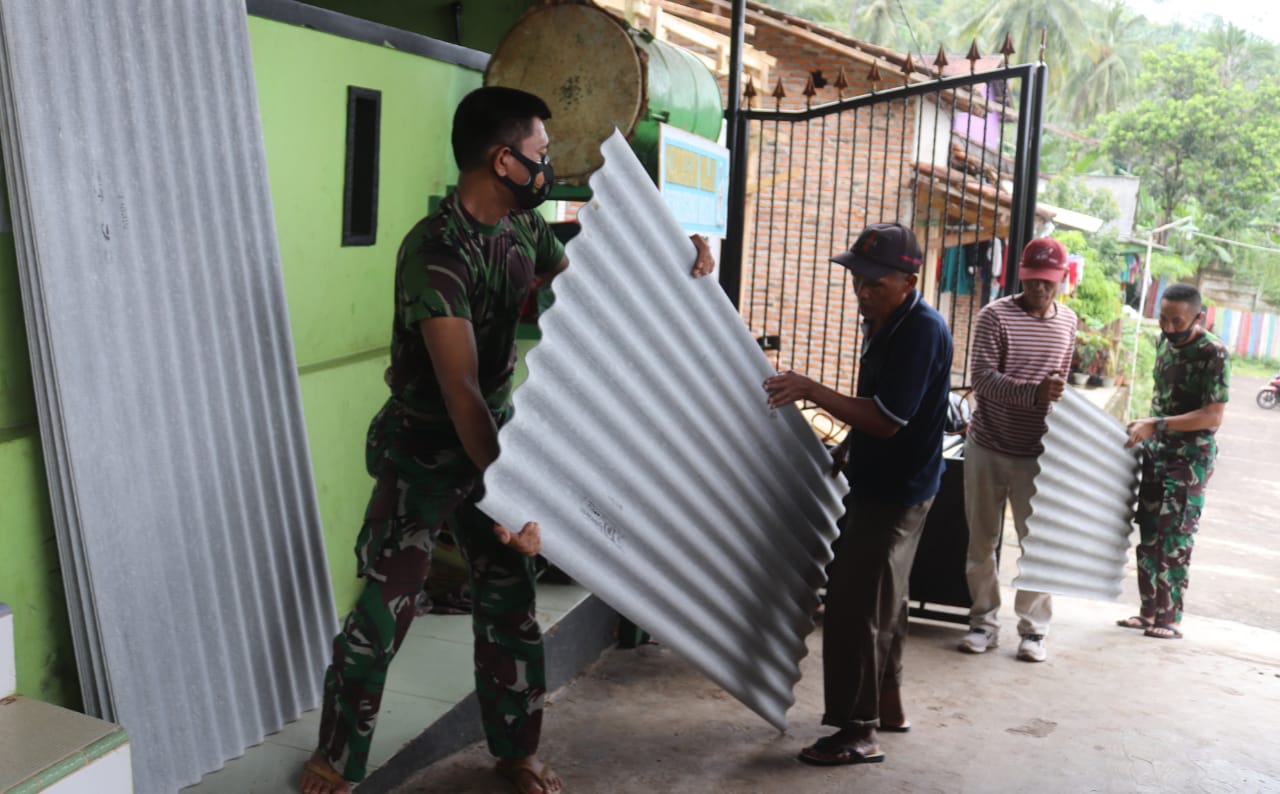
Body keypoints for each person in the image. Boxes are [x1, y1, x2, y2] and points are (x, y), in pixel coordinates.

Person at [298, 86, 714, 794]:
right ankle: (336, 758)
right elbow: (459, 393)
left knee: (508, 602)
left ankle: (516, 751)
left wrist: (679, 251)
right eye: (541, 156)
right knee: (386, 608)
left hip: (492, 439)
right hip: (427, 451)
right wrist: (514, 496)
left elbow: (589, 272)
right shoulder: (435, 256)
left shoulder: (522, 231)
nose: (549, 168)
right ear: (503, 161)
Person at [764, 222, 952, 767]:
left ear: (908, 279)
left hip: (897, 491)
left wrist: (809, 389)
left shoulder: (920, 330)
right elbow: (879, 406)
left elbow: (889, 419)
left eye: (876, 282)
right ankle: (887, 707)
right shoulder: (887, 320)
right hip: (892, 480)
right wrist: (849, 445)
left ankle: (857, 730)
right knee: (885, 602)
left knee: (853, 607)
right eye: (858, 279)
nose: (863, 291)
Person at [958, 237, 1077, 663]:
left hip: (1037, 454)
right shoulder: (995, 316)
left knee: (1036, 544)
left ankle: (1034, 631)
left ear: (1061, 280)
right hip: (988, 444)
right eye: (1031, 281)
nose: (1038, 290)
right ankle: (983, 624)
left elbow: (1059, 386)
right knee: (982, 542)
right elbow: (983, 379)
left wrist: (1056, 399)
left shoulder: (1068, 322)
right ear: (1020, 276)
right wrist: (1035, 392)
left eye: (1047, 282)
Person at [1119, 283, 1229, 641]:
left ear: (1198, 317)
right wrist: (1146, 424)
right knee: (1149, 532)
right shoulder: (1163, 343)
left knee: (1175, 536)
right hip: (1156, 452)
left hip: (1190, 458)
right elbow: (1161, 401)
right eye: (1162, 319)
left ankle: (1170, 618)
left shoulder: (1213, 352)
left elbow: (1213, 415)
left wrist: (1158, 424)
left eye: (1177, 321)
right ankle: (1147, 612)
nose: (1168, 328)